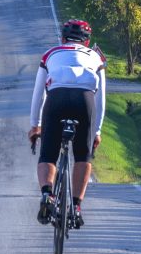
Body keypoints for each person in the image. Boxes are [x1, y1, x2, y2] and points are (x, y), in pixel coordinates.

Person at [28, 19, 106, 227]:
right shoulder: (96, 58)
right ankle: (76, 207)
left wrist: (35, 125)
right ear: (87, 42)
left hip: (56, 99)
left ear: (62, 39)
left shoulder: (50, 54)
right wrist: (96, 131)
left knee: (48, 154)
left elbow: (38, 93)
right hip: (84, 100)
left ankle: (47, 195)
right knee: (83, 156)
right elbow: (101, 99)